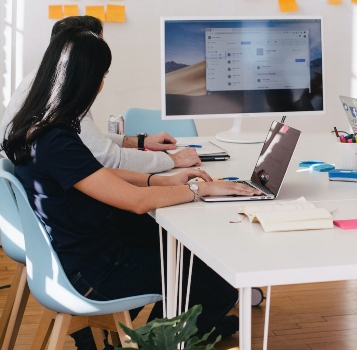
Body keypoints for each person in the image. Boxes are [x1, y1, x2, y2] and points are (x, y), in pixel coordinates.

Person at [2, 28, 260, 349]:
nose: (102, 84)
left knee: (178, 251)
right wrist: (199, 190)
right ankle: (150, 343)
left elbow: (100, 175)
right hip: (93, 272)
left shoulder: (37, 128)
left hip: (79, 255)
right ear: (87, 79)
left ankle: (123, 338)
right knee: (217, 285)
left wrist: (162, 181)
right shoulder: (57, 140)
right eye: (102, 75)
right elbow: (136, 201)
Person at [0, 15, 200, 173]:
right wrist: (172, 160)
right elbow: (109, 159)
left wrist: (140, 142)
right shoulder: (62, 94)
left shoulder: (40, 80)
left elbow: (85, 140)